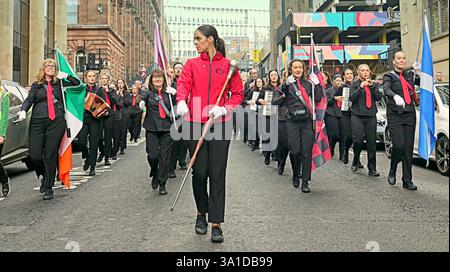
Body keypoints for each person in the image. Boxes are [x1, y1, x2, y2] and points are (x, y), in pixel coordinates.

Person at [176, 25, 244, 243]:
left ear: (211, 40)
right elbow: (184, 84)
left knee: (217, 173)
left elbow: (238, 94)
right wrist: (180, 102)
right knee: (200, 171)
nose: (195, 43)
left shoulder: (228, 66)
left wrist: (225, 108)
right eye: (194, 39)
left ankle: (216, 223)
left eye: (198, 39)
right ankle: (200, 214)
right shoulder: (191, 64)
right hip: (194, 122)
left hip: (220, 123)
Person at [18, 59, 81, 200]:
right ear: (43, 69)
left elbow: (78, 84)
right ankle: (43, 175)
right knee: (35, 155)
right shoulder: (36, 86)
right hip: (38, 122)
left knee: (50, 154)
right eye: (47, 66)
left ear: (55, 69)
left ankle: (48, 186)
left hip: (56, 122)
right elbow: (29, 100)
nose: (50, 68)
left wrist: (67, 76)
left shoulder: (60, 83)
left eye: (53, 66)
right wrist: (23, 110)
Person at [278, 59, 323, 193]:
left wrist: (318, 84)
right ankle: (295, 173)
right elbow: (279, 95)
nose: (298, 70)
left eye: (300, 67)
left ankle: (305, 181)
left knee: (306, 151)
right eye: (295, 67)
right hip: (292, 121)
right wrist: (286, 83)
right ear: (291, 69)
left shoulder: (308, 84)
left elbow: (319, 98)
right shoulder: (288, 84)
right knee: (295, 150)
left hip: (306, 121)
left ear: (303, 69)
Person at [383, 51, 420, 190]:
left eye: (404, 58)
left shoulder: (410, 75)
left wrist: (419, 72)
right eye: (399, 58)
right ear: (394, 61)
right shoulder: (389, 76)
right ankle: (393, 169)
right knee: (399, 145)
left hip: (409, 113)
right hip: (395, 114)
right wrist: (394, 96)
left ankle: (407, 180)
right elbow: (386, 88)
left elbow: (425, 84)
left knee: (408, 148)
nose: (402, 60)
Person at [141, 69, 176, 196]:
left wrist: (175, 95)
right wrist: (142, 103)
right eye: (155, 77)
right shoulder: (148, 93)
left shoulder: (169, 93)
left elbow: (177, 107)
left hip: (167, 128)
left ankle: (162, 183)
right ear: (151, 80)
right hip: (152, 128)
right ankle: (154, 173)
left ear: (164, 79)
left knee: (164, 157)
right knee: (153, 156)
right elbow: (143, 99)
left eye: (160, 77)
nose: (158, 79)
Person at [349, 64, 382, 176]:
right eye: (363, 70)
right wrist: (360, 88)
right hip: (357, 115)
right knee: (358, 141)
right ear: (359, 73)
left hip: (370, 116)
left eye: (367, 70)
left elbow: (378, 97)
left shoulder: (373, 84)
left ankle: (372, 168)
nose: (365, 72)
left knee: (371, 142)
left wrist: (372, 86)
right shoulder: (355, 84)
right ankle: (356, 159)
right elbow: (352, 98)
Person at [78, 71, 104, 176]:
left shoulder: (99, 90)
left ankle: (92, 166)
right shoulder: (82, 89)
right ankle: (87, 157)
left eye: (93, 76)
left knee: (94, 143)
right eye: (89, 76)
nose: (92, 78)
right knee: (81, 141)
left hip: (95, 120)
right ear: (86, 78)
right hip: (84, 118)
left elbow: (103, 104)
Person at [257, 70, 280, 165]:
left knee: (277, 135)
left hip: (279, 114)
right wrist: (261, 100)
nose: (274, 77)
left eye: (275, 75)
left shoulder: (281, 87)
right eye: (272, 75)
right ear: (269, 77)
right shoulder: (265, 88)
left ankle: (276, 155)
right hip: (268, 113)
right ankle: (267, 154)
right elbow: (258, 99)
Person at [325, 74, 345, 159]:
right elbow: (325, 102)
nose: (339, 82)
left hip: (342, 113)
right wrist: (334, 98)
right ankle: (331, 148)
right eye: (337, 81)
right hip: (331, 113)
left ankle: (342, 155)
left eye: (340, 81)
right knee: (334, 135)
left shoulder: (345, 90)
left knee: (343, 135)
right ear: (333, 81)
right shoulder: (328, 91)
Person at [341, 68, 356, 165]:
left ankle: (356, 159)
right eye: (347, 74)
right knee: (349, 136)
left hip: (357, 113)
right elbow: (332, 97)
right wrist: (337, 98)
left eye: (351, 74)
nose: (349, 75)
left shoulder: (357, 85)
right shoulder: (342, 87)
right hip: (346, 113)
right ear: (344, 76)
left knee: (357, 138)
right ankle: (346, 151)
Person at [246, 77, 264, 152]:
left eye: (260, 81)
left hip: (264, 112)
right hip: (255, 112)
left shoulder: (265, 91)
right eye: (257, 82)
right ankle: (255, 143)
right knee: (256, 129)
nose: (259, 83)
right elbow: (245, 99)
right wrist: (248, 102)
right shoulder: (253, 91)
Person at [0, 73, 11, 197]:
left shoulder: (4, 95)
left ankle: (4, 180)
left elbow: (4, 117)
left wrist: (2, 134)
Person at [117, 79, 130, 155]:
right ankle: (117, 144)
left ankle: (122, 147)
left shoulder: (127, 93)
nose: (120, 85)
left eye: (121, 83)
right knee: (117, 131)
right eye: (118, 83)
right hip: (117, 113)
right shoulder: (115, 92)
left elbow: (127, 103)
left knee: (123, 130)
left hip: (124, 114)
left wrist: (122, 96)